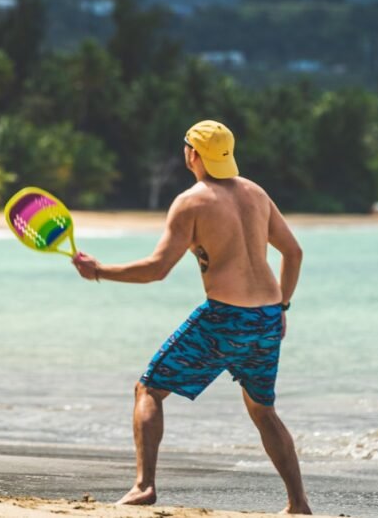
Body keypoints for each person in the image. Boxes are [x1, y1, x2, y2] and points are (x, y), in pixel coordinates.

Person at [71, 120, 311, 513]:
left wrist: (99, 271)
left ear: (192, 154)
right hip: (266, 317)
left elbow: (156, 269)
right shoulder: (256, 193)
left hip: (225, 318)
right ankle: (298, 503)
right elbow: (294, 252)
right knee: (263, 410)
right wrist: (282, 306)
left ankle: (143, 486)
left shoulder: (191, 202)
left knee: (148, 389)